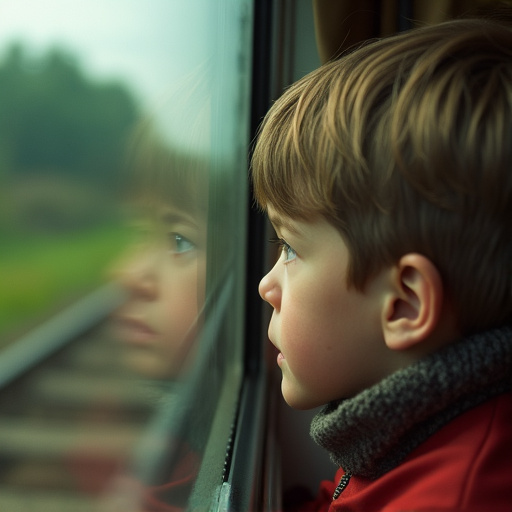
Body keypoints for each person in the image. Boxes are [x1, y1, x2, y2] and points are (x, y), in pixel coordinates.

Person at [252, 16, 512, 512]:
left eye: (291, 250)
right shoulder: (404, 424)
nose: (267, 284)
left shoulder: (458, 495)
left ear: (403, 305)